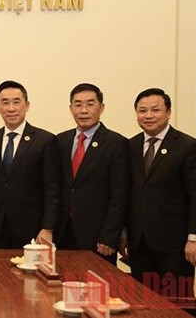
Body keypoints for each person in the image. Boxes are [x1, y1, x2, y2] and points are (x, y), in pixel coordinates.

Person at [119, 88, 196, 298]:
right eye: (142, 110)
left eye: (155, 110)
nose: (148, 116)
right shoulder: (130, 146)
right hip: (139, 243)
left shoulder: (188, 146)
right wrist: (124, 234)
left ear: (168, 112)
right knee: (143, 302)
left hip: (175, 244)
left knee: (178, 302)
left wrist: (195, 238)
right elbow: (126, 193)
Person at [0, 81, 60, 249]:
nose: (11, 108)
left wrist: (47, 227)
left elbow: (52, 189)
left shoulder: (45, 140)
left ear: (27, 105)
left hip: (32, 230)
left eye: (16, 102)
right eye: (5, 102)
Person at [55, 83, 130, 264]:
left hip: (98, 236)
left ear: (101, 107)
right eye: (78, 104)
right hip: (63, 232)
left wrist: (109, 236)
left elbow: (119, 195)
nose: (84, 110)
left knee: (95, 288)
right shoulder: (60, 141)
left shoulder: (116, 143)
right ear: (70, 108)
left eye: (90, 104)